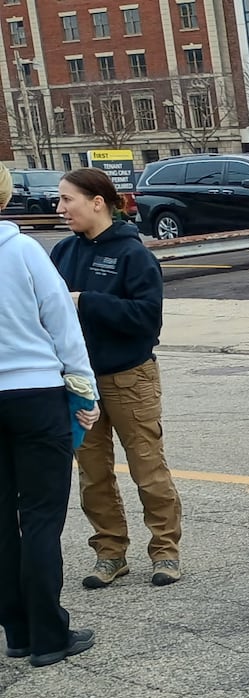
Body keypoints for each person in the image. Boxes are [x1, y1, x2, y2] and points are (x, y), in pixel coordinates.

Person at [51, 168, 186, 590]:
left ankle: (165, 551)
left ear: (97, 202)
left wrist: (86, 302)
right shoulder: (60, 254)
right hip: (79, 382)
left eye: (67, 199)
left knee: (148, 468)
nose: (60, 208)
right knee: (93, 473)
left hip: (129, 377)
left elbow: (148, 321)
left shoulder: (133, 255)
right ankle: (109, 553)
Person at [0, 164, 99, 666]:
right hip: (34, 393)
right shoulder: (23, 253)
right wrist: (85, 394)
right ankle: (47, 634)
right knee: (40, 517)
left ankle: (15, 630)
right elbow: (63, 326)